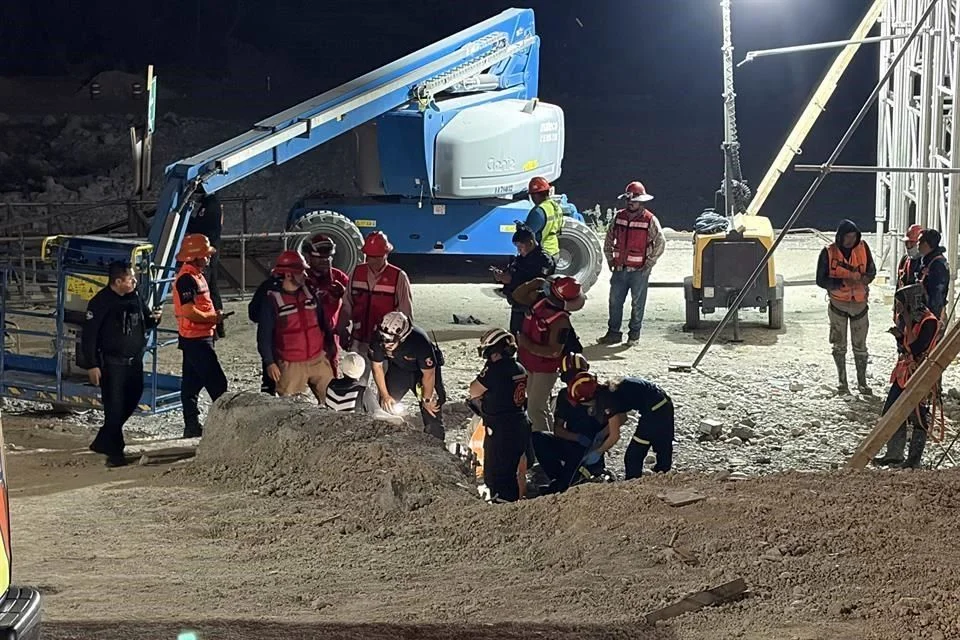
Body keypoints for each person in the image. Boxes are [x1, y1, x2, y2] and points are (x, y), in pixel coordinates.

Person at [80, 261, 161, 467]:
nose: (135, 281)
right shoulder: (100, 302)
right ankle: (115, 454)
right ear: (118, 281)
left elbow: (145, 320)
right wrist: (92, 365)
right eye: (130, 279)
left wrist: (155, 319)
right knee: (114, 408)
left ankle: (103, 440)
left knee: (132, 399)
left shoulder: (135, 296)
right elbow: (89, 336)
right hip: (112, 365)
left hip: (134, 363)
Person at [339, 231, 413, 411]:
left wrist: (399, 345)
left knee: (385, 387)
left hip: (384, 344)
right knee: (357, 383)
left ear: (385, 254)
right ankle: (357, 416)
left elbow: (406, 315)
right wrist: (342, 328)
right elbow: (347, 304)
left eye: (376, 256)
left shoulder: (398, 277)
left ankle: (385, 416)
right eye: (369, 256)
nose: (371, 260)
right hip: (359, 339)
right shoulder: (357, 272)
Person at [874, 284, 941, 469]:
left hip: (919, 373)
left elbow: (915, 348)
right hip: (904, 372)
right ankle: (894, 454)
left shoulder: (928, 321)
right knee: (891, 411)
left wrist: (907, 322)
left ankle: (913, 460)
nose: (899, 309)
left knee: (918, 416)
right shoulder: (912, 318)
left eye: (902, 304)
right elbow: (905, 346)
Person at [257, 250, 337, 402]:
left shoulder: (309, 293)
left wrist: (330, 348)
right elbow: (264, 335)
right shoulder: (272, 301)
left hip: (318, 359)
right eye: (301, 272)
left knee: (333, 402)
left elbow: (323, 322)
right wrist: (270, 362)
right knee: (291, 411)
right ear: (288, 275)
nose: (305, 275)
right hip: (290, 365)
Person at [567, 371, 674, 479]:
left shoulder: (607, 399)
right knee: (662, 445)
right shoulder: (608, 389)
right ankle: (663, 477)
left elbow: (615, 436)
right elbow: (622, 418)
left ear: (590, 398)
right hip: (663, 403)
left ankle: (633, 484)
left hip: (655, 411)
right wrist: (602, 434)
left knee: (633, 456)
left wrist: (598, 451)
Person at [512, 275, 585, 434]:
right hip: (529, 363)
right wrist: (535, 282)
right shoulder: (540, 300)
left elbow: (554, 351)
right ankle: (552, 435)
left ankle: (542, 443)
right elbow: (517, 295)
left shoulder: (561, 321)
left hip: (545, 370)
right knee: (538, 404)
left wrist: (526, 344)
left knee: (535, 408)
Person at [466, 328, 531, 503]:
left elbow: (474, 390)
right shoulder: (519, 367)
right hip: (519, 423)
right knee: (512, 471)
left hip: (501, 429)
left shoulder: (495, 369)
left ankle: (502, 507)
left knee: (497, 475)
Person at [173, 233, 228, 438]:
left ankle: (192, 426)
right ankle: (224, 427)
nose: (209, 257)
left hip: (195, 338)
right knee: (218, 384)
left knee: (191, 385)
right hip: (196, 339)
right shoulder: (187, 279)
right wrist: (212, 318)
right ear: (196, 257)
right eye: (206, 255)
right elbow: (188, 311)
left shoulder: (195, 275)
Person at [599, 181, 665, 346]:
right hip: (619, 268)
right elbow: (608, 238)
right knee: (615, 302)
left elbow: (660, 242)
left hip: (639, 270)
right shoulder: (619, 217)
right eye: (629, 199)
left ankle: (634, 336)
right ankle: (613, 333)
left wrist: (649, 263)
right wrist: (609, 259)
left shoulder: (649, 220)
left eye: (634, 200)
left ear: (641, 201)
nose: (631, 203)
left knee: (637, 304)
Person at [531, 353, 609, 494]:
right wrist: (577, 438)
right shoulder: (564, 396)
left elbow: (616, 423)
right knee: (538, 438)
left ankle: (566, 481)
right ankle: (557, 477)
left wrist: (599, 443)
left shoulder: (602, 393)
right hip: (572, 443)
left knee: (566, 487)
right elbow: (558, 429)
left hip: (591, 450)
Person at [816, 219, 877, 396]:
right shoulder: (828, 252)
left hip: (859, 303)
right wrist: (841, 283)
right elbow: (821, 279)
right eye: (847, 237)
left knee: (860, 347)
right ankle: (842, 382)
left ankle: (862, 383)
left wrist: (867, 278)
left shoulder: (863, 248)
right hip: (838, 303)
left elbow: (871, 270)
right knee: (838, 346)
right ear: (840, 237)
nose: (850, 240)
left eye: (853, 237)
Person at [369, 311, 446, 439]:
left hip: (424, 373)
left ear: (402, 337)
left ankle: (436, 443)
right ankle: (385, 442)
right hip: (399, 369)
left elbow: (429, 374)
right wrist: (385, 395)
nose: (385, 344)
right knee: (385, 407)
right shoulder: (378, 339)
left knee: (432, 409)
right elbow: (377, 368)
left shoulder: (420, 341)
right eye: (383, 338)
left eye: (390, 341)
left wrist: (426, 400)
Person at [492, 226, 557, 334]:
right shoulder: (521, 258)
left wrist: (512, 280)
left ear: (530, 243)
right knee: (516, 334)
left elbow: (538, 283)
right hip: (517, 305)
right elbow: (514, 271)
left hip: (532, 309)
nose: (519, 250)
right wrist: (502, 275)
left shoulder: (544, 260)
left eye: (520, 247)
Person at [186, 188, 225, 338]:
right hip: (208, 250)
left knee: (207, 288)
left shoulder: (211, 206)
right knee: (211, 287)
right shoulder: (209, 205)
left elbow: (205, 228)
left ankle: (213, 325)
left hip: (207, 251)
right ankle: (217, 325)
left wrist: (189, 220)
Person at [303, 233, 350, 339]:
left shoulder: (339, 277)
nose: (325, 261)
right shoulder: (301, 278)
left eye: (328, 257)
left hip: (331, 337)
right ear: (308, 257)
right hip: (306, 337)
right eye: (319, 258)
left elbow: (354, 305)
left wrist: (344, 294)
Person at [248, 268, 284, 395]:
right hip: (291, 347)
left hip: (272, 342)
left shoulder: (266, 286)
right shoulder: (301, 287)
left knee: (270, 381)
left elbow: (253, 313)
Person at [523, 176, 563, 259]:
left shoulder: (539, 211)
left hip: (542, 254)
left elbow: (527, 234)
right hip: (554, 251)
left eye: (532, 195)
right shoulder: (556, 207)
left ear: (535, 195)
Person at [917, 228, 950, 323]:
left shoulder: (937, 265)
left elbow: (938, 293)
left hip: (931, 314)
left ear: (926, 244)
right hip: (925, 311)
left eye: (920, 242)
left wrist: (932, 317)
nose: (917, 245)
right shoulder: (927, 260)